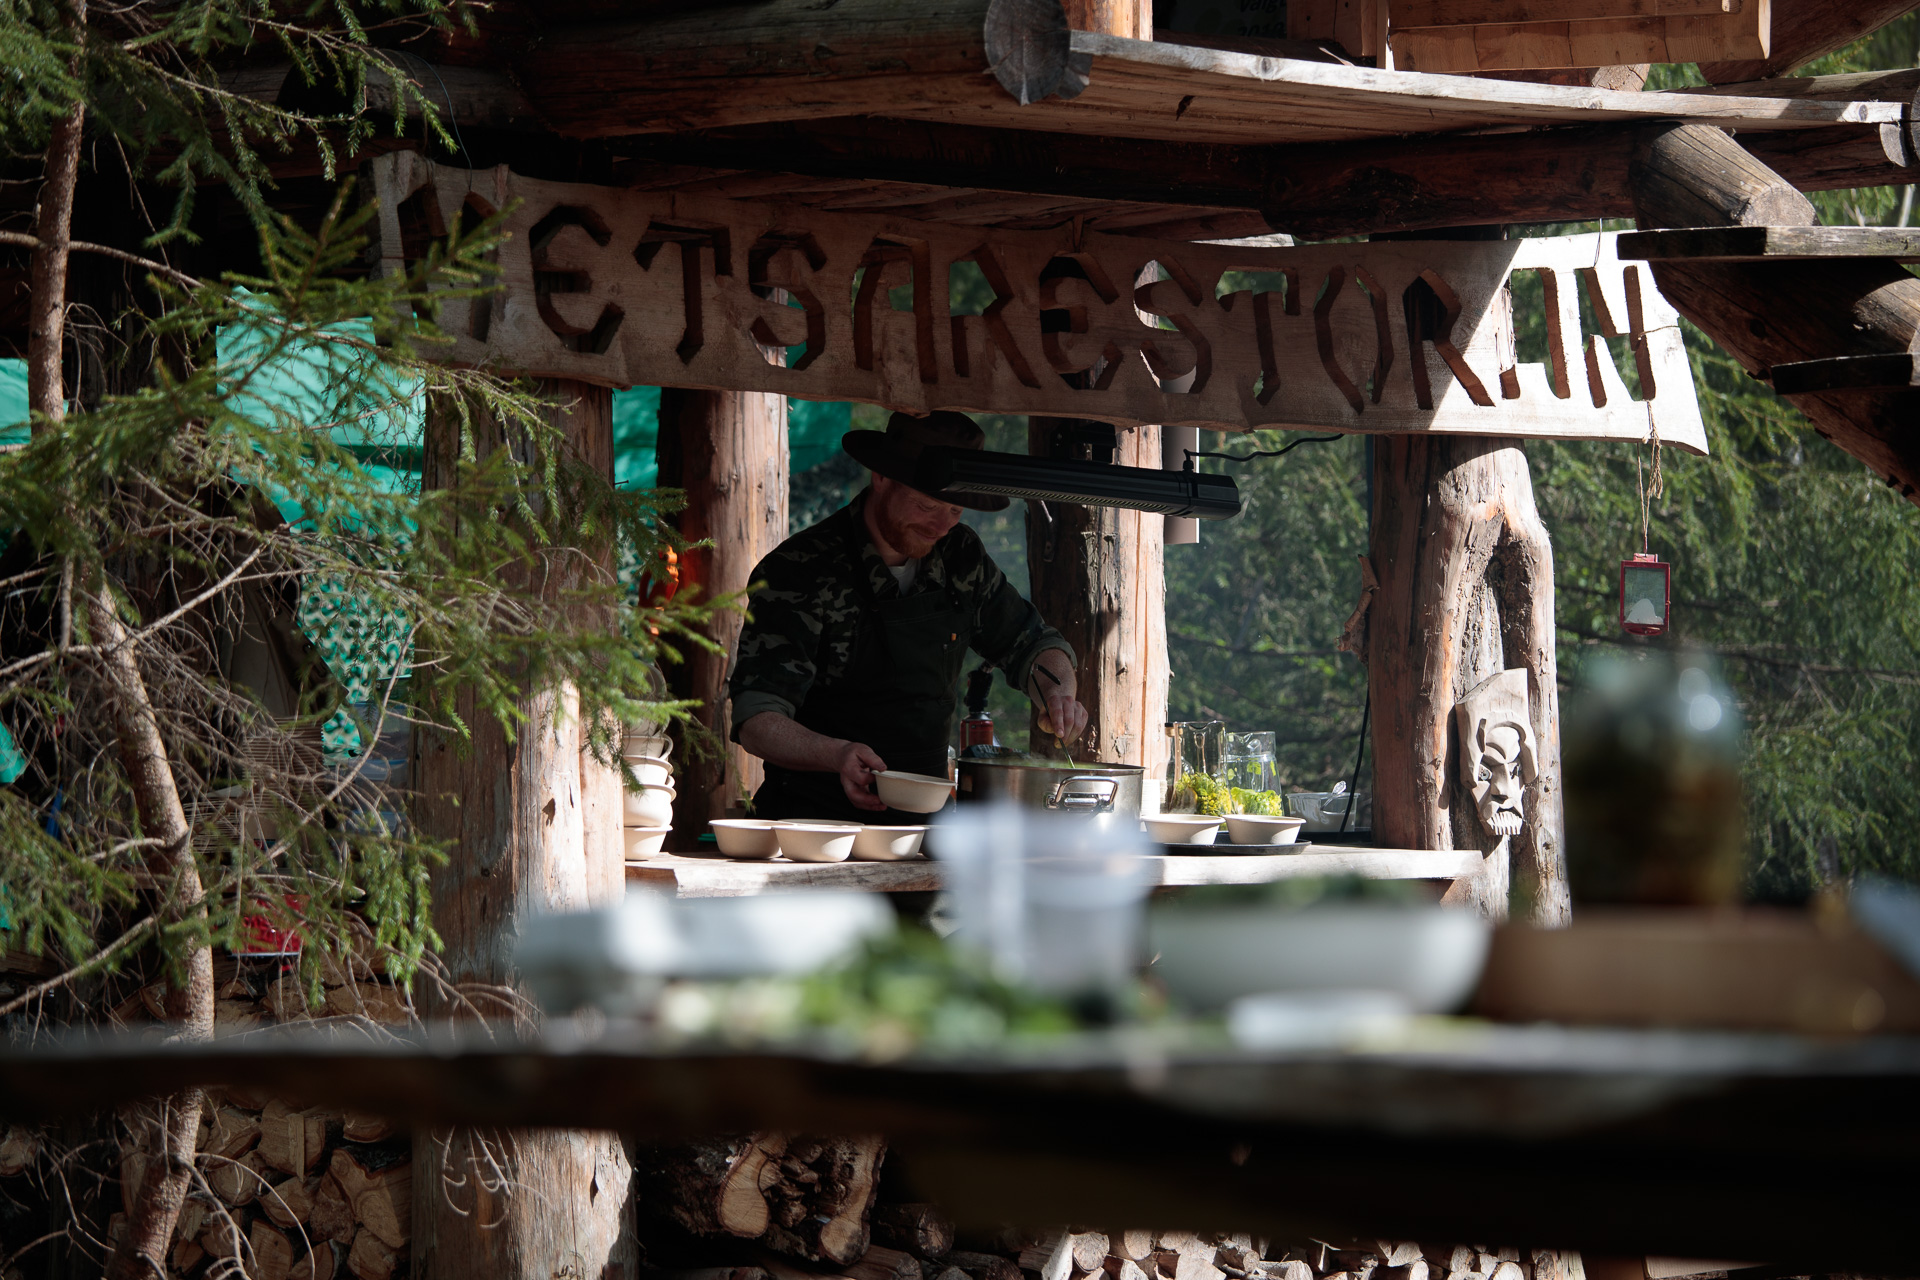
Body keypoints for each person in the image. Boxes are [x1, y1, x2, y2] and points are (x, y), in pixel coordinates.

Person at [730, 411, 1089, 821]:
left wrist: (1058, 693)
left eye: (955, 510)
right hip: (811, 822)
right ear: (880, 477)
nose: (941, 525)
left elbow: (1035, 643)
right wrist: (836, 754)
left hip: (923, 821)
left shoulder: (960, 556)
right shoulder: (799, 569)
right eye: (927, 504)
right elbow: (757, 719)